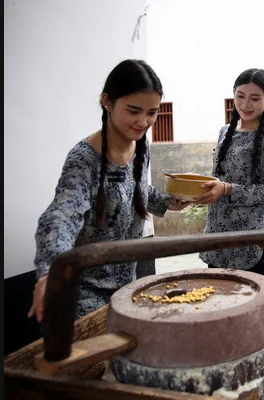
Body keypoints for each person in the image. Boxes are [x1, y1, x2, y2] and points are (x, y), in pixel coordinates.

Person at [28, 59, 190, 322]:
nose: (143, 122)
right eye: (134, 110)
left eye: (152, 112)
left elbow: (134, 188)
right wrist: (50, 272)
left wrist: (169, 201)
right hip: (83, 296)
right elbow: (61, 216)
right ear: (107, 101)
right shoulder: (84, 159)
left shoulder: (139, 146)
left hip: (127, 290)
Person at [196, 68, 264, 278]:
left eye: (255, 98)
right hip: (217, 235)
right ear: (233, 93)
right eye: (240, 96)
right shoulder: (225, 132)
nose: (245, 104)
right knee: (217, 302)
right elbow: (219, 177)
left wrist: (226, 189)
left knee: (250, 305)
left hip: (249, 241)